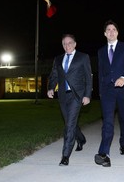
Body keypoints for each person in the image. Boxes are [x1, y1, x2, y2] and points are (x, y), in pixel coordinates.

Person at [94, 20, 124, 167]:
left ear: (117, 33)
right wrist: (100, 92)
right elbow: (100, 73)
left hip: (123, 90)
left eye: (114, 29)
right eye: (108, 30)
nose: (111, 32)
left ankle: (123, 143)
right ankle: (104, 153)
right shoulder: (100, 51)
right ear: (105, 33)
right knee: (107, 122)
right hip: (107, 91)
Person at [47, 34, 93, 166]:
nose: (67, 46)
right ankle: (81, 139)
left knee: (69, 125)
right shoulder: (58, 59)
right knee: (69, 122)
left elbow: (88, 78)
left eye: (69, 43)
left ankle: (65, 156)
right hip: (62, 95)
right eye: (64, 44)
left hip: (76, 96)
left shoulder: (83, 57)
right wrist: (51, 88)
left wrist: (87, 95)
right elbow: (54, 76)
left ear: (75, 44)